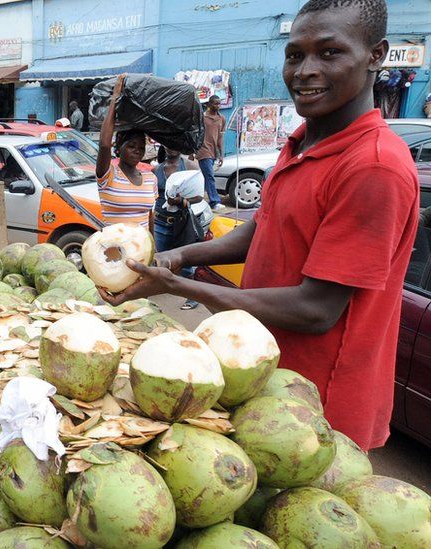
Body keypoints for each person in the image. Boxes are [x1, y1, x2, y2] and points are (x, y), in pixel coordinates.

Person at [102, 0, 418, 451]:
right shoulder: (301, 144)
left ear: (375, 55)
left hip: (318, 410)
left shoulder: (373, 166)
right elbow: (263, 230)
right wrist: (179, 255)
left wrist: (178, 286)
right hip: (258, 375)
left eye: (330, 53)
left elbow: (316, 309)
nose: (305, 70)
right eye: (295, 55)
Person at [95, 74, 157, 232]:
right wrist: (115, 99)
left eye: (141, 147)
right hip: (115, 252)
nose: (137, 150)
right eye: (131, 145)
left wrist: (154, 249)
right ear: (118, 147)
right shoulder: (108, 175)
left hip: (142, 252)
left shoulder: (151, 178)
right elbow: (103, 145)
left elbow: (150, 216)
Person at [152, 147, 203, 310]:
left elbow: (199, 195)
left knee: (186, 261)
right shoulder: (157, 170)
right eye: (168, 144)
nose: (171, 148)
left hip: (181, 223)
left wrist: (182, 201)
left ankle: (192, 297)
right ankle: (162, 290)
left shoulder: (190, 166)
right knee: (160, 259)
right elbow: (153, 196)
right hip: (160, 222)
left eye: (175, 144)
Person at [197, 95, 226, 211]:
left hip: (214, 151)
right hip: (203, 150)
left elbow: (220, 137)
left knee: (205, 176)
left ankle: (200, 200)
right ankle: (214, 201)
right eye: (215, 103)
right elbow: (197, 133)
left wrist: (221, 154)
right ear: (209, 104)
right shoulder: (202, 118)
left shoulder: (222, 119)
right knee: (209, 175)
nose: (217, 106)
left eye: (219, 104)